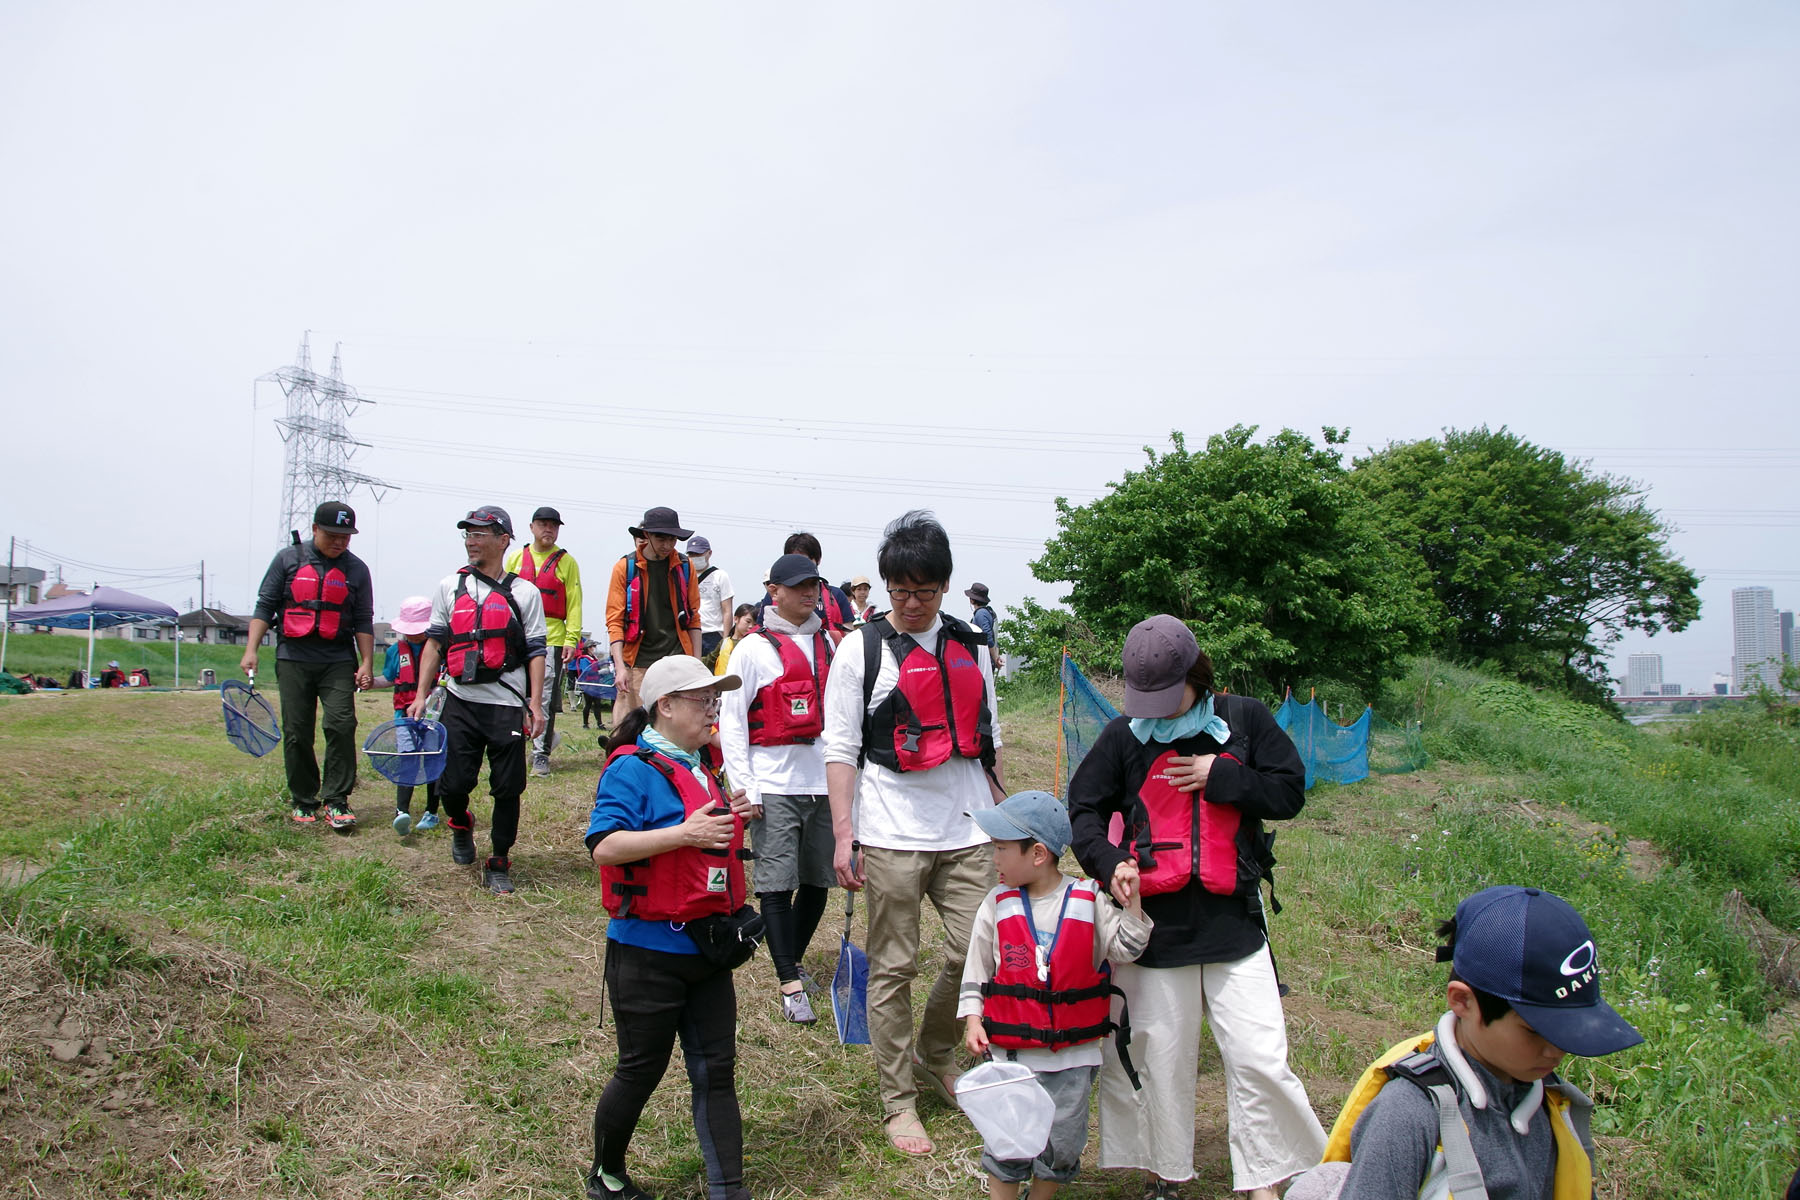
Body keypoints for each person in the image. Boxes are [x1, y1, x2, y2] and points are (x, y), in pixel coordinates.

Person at [1067, 614, 1324, 1199]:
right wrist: (1111, 865)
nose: (1154, 711)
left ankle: (1266, 1177)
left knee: (1260, 1058)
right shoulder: (1123, 738)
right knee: (1161, 1060)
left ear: (1196, 675)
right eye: (1144, 699)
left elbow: (1288, 793)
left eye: (1167, 696)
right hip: (1155, 935)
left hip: (1235, 927)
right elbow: (1082, 811)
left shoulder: (1246, 720)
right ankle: (1166, 1173)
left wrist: (1223, 775)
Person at [821, 509, 1005, 1156]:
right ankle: (898, 1100)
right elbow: (840, 748)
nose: (911, 604)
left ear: (946, 588)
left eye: (924, 592)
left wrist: (1003, 823)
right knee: (894, 967)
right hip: (891, 830)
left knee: (977, 953)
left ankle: (936, 1049)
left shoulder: (971, 647)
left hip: (967, 829)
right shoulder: (860, 649)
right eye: (899, 591)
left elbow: (991, 742)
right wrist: (845, 835)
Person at [1293, 886, 1643, 1200]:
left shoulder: (1551, 1102)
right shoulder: (1408, 1116)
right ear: (1462, 1002)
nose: (1556, 1051)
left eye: (1567, 1030)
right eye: (1535, 1031)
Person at [583, 655, 755, 1200]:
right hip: (646, 953)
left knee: (717, 1073)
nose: (713, 711)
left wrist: (730, 818)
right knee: (640, 1070)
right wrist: (684, 834)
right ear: (666, 706)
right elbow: (604, 847)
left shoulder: (702, 766)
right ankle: (606, 1177)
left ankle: (729, 1190)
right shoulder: (630, 767)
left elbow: (702, 841)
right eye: (704, 700)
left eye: (715, 701)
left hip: (708, 950)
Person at [960, 790, 1153, 1200]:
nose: (994, 857)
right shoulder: (997, 903)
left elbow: (1127, 949)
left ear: (1038, 854)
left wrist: (1132, 902)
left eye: (1000, 848)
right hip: (1012, 1056)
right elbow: (977, 968)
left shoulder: (1088, 900)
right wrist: (974, 1019)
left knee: (1062, 1141)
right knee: (1005, 1138)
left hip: (1073, 1059)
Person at [718, 553, 840, 1023]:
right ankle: (789, 981)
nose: (808, 593)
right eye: (798, 586)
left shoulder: (833, 642)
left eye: (814, 585)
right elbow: (732, 722)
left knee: (817, 879)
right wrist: (744, 786)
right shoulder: (752, 648)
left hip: (824, 781)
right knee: (776, 882)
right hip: (773, 783)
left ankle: (795, 956)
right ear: (774, 591)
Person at [406, 505, 547, 895]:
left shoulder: (525, 592)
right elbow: (435, 644)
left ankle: (499, 859)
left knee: (508, 787)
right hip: (460, 701)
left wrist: (535, 705)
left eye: (482, 532)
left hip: (506, 703)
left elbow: (537, 650)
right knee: (451, 786)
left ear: (504, 540)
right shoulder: (449, 587)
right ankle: (460, 823)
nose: (472, 538)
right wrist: (421, 695)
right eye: (468, 532)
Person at [244, 501, 376, 830]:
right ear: (315, 529)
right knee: (297, 731)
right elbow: (265, 607)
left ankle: (337, 799)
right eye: (333, 535)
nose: (340, 542)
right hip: (293, 657)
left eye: (346, 536)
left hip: (337, 658)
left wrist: (367, 663)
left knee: (342, 725)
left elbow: (363, 619)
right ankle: (304, 799)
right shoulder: (287, 560)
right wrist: (251, 650)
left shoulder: (357, 570)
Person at [506, 506, 583, 778]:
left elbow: (574, 603)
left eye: (554, 525)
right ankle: (514, 744)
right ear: (531, 527)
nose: (548, 529)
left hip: (552, 638)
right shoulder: (515, 559)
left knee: (545, 697)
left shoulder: (567, 562)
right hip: (517, 637)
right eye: (543, 524)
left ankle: (541, 754)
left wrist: (572, 639)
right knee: (514, 693)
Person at [606, 507, 703, 721]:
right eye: (661, 538)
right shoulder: (625, 567)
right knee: (638, 720)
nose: (668, 545)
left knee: (678, 720)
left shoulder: (686, 566)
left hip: (678, 655)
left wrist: (697, 662)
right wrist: (620, 667)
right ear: (646, 535)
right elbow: (614, 621)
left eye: (673, 539)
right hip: (639, 658)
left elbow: (694, 617)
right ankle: (621, 753)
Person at [377, 595, 442, 835]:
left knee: (434, 760)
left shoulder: (439, 648)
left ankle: (432, 813)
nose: (414, 635)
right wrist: (368, 682)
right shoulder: (396, 651)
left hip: (434, 716)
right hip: (404, 716)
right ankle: (401, 811)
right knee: (408, 759)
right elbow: (388, 677)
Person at [752, 532, 857, 643]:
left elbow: (848, 633)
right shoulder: (755, 647)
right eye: (794, 559)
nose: (808, 593)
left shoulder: (836, 595)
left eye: (805, 560)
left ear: (818, 560)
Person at [689, 534, 735, 663]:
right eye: (692, 555)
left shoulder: (720, 575)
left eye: (699, 554)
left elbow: (727, 610)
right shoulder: (685, 575)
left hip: (713, 634)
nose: (695, 558)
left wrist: (725, 640)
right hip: (691, 632)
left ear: (709, 553)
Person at [966, 582, 1004, 672]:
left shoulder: (980, 614)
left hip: (983, 661)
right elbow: (994, 639)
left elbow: (988, 638)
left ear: (972, 600)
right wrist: (996, 657)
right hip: (988, 660)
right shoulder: (989, 612)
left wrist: (995, 659)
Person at [714, 604, 757, 677]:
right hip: (721, 685)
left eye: (754, 624)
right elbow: (710, 660)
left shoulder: (753, 645)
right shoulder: (724, 643)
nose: (751, 627)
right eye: (748, 621)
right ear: (736, 619)